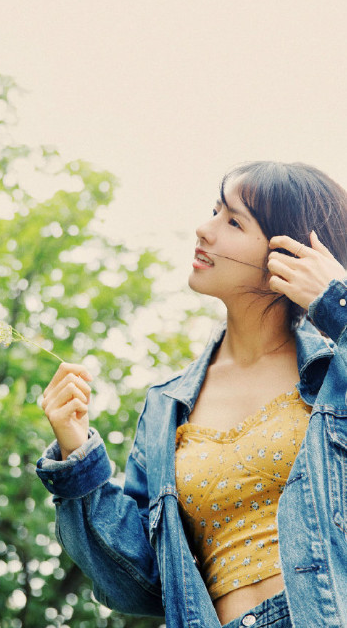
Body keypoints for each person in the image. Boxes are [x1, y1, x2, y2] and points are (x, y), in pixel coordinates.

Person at [36, 161, 347, 628]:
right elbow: (136, 582)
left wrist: (336, 301)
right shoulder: (166, 407)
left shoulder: (334, 374)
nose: (204, 230)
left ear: (289, 255)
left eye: (234, 222)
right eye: (214, 212)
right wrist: (76, 451)